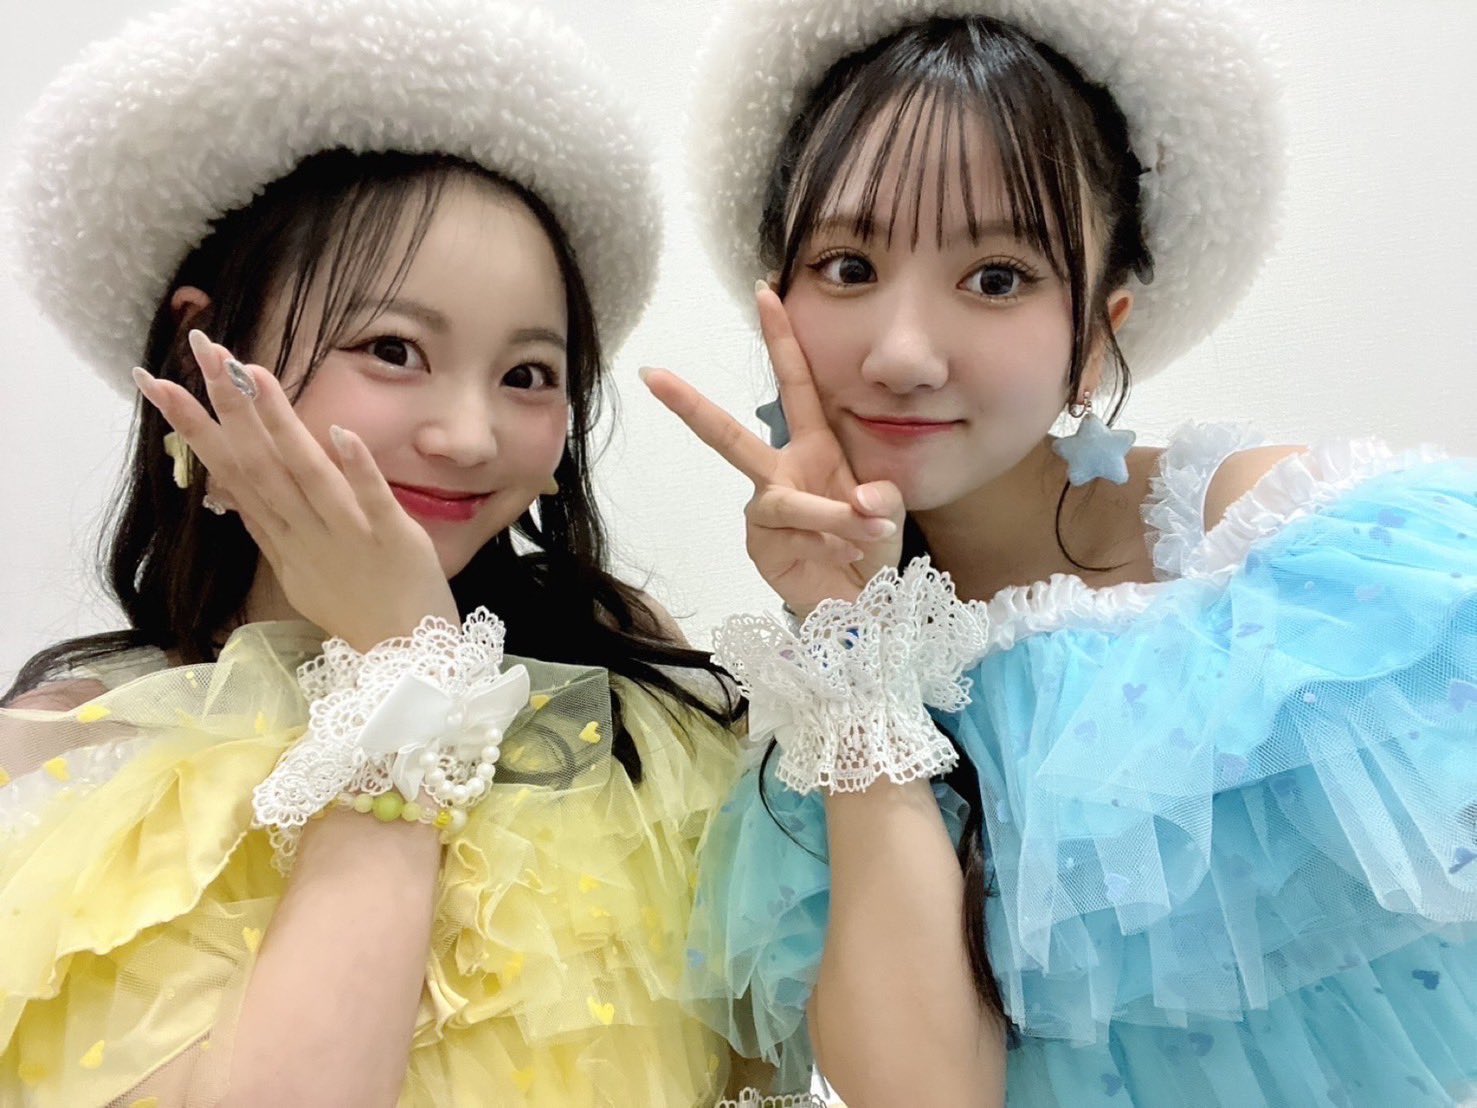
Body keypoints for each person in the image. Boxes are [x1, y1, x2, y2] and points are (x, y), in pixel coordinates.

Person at [646, 0, 1477, 1104]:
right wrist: (854, 648)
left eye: (996, 277)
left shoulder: (1284, 559)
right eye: (847, 265)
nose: (902, 354)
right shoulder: (827, 717)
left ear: (1097, 333)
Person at [0, 0, 758, 1103]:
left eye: (527, 374)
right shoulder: (65, 751)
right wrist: (403, 675)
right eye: (394, 349)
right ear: (201, 346)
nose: (468, 436)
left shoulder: (623, 682)